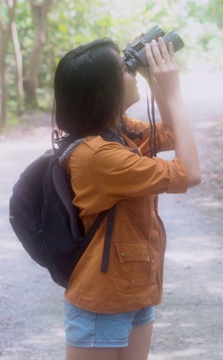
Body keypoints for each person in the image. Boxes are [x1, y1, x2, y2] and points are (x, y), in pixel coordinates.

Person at [52, 34, 201, 360]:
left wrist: (153, 78)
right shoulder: (97, 154)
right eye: (126, 68)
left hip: (134, 288)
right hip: (102, 300)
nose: (131, 72)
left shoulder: (117, 130)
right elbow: (189, 173)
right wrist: (173, 90)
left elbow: (173, 133)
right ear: (105, 92)